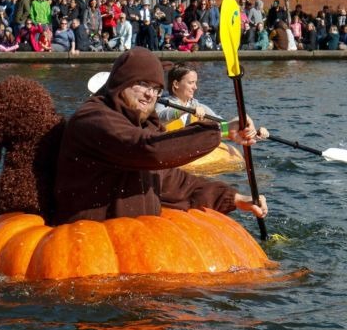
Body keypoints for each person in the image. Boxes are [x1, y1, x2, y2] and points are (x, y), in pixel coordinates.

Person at [53, 47, 268, 224]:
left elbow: (172, 181)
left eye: (156, 89)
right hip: (88, 242)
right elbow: (146, 149)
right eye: (142, 84)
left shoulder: (145, 125)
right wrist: (221, 130)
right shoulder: (93, 118)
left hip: (138, 239)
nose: (150, 94)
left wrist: (235, 199)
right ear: (121, 83)